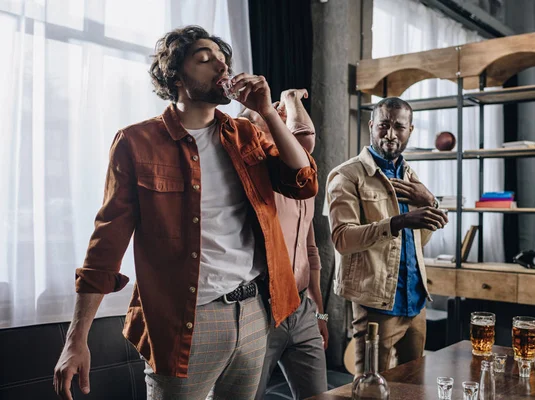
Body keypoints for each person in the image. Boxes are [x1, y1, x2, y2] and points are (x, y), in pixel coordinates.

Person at [53, 25, 318, 400]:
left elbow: (303, 181)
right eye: (205, 59)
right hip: (187, 321)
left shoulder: (245, 133)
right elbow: (106, 243)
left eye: (223, 60)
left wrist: (266, 113)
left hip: (254, 312)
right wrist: (76, 339)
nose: (220, 67)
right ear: (174, 75)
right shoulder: (136, 142)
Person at [326, 97, 448, 374]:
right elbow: (342, 239)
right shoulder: (347, 175)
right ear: (371, 126)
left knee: (412, 387)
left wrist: (429, 200)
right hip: (377, 305)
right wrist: (400, 220)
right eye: (383, 125)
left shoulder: (410, 175)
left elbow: (422, 238)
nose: (391, 134)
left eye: (399, 127)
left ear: (410, 130)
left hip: (415, 302)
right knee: (369, 389)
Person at [239, 89, 328, 400]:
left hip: (303, 308)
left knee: (319, 395)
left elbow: (310, 248)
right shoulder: (259, 175)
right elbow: (304, 137)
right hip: (261, 308)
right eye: (266, 117)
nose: (275, 119)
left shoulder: (303, 178)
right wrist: (290, 99)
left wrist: (320, 313)